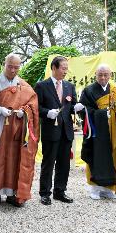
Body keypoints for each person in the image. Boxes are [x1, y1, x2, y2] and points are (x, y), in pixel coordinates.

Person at [0, 53, 39, 209]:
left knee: (14, 159)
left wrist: (25, 112)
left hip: (17, 129)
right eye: (10, 66)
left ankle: (12, 193)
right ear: (4, 65)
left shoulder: (24, 86)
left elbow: (33, 104)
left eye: (16, 67)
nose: (13, 70)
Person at [79, 64, 116, 200]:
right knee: (96, 156)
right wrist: (102, 114)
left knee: (113, 156)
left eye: (106, 75)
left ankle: (109, 188)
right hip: (97, 131)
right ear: (95, 75)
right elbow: (84, 112)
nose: (103, 77)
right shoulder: (89, 90)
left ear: (110, 75)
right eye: (100, 75)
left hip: (114, 130)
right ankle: (94, 188)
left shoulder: (115, 90)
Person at [34, 56, 77, 205]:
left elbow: (72, 107)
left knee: (64, 163)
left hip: (66, 130)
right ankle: (45, 193)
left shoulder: (69, 86)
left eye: (66, 68)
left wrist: (76, 108)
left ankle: (60, 191)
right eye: (63, 68)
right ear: (54, 68)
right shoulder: (41, 86)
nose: (66, 71)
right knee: (48, 162)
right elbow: (36, 108)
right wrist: (47, 113)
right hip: (50, 130)